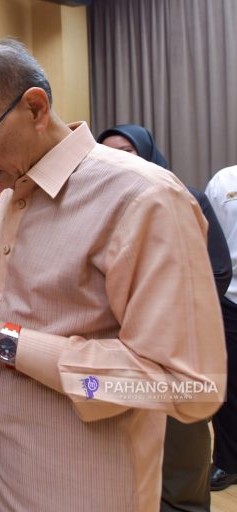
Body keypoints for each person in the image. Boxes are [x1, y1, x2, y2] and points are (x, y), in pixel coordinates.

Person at [0, 39, 226, 511]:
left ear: (35, 107)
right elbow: (44, 287)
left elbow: (188, 385)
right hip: (3, 480)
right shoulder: (11, 193)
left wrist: (4, 342)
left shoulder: (141, 198)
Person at [98, 123, 232, 511]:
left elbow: (218, 270)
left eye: (126, 151)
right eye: (107, 153)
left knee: (180, 456)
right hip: (116, 351)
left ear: (146, 152)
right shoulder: (94, 207)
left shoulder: (185, 196)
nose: (118, 160)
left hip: (177, 350)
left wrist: (163, 317)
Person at [205, 165, 237, 492]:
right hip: (230, 298)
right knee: (228, 386)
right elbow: (208, 236)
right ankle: (228, 462)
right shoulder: (223, 181)